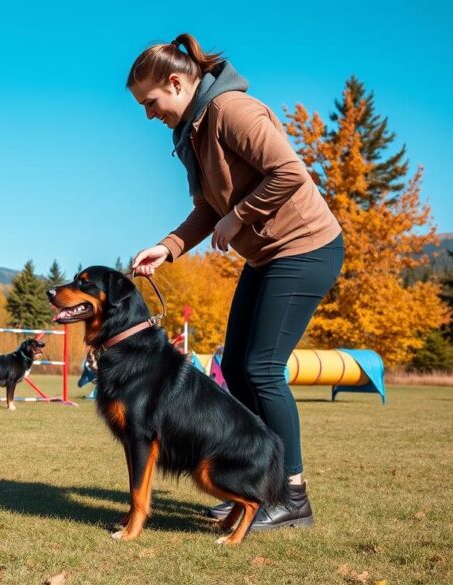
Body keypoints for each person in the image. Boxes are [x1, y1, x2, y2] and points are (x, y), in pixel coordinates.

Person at [127, 33, 344, 530]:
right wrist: (169, 247)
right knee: (237, 368)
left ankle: (291, 497)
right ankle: (250, 484)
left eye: (150, 101)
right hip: (268, 255)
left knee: (262, 368)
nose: (148, 114)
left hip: (306, 247)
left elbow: (291, 173)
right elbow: (207, 207)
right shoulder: (192, 133)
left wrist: (238, 217)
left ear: (177, 82)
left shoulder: (231, 111)